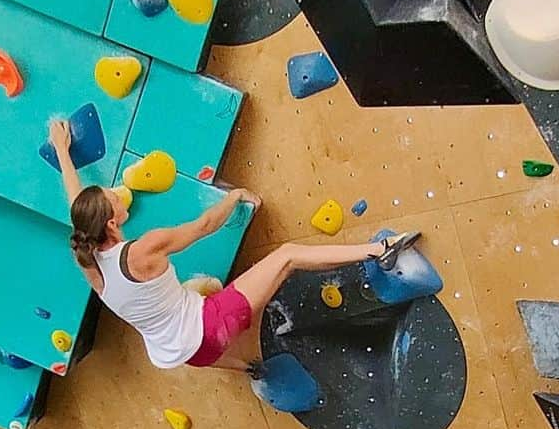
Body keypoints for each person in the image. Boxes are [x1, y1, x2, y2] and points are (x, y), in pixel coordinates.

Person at [50, 120, 420, 374]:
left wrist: (62, 151)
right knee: (288, 255)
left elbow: (76, 207)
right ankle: (379, 250)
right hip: (211, 326)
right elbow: (206, 225)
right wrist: (235, 196)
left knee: (208, 342)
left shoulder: (90, 264)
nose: (116, 195)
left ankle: (249, 368)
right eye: (112, 198)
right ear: (112, 224)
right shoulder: (144, 249)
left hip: (189, 356)